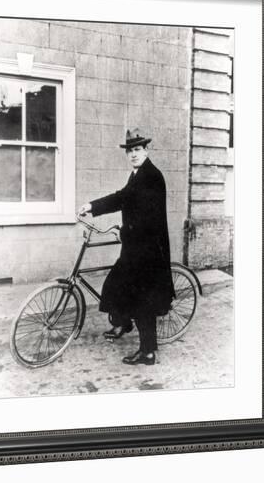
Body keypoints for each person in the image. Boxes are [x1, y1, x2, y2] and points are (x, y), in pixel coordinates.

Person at [78, 128, 174, 366]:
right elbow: (122, 197)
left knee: (143, 302)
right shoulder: (137, 174)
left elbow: (148, 219)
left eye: (137, 149)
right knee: (114, 284)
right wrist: (91, 206)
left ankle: (148, 353)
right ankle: (123, 322)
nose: (133, 154)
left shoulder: (151, 176)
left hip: (149, 251)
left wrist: (123, 231)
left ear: (146, 150)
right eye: (130, 150)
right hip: (135, 247)